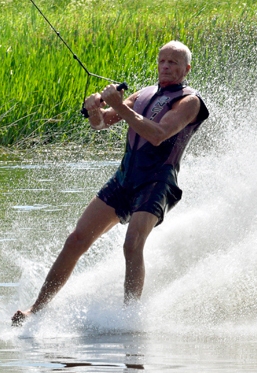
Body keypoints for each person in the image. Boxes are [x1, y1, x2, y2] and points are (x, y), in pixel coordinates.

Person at [12, 41, 209, 326]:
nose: (166, 66)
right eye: (162, 61)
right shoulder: (143, 94)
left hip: (157, 181)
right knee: (76, 239)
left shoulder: (190, 101)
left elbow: (158, 134)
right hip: (125, 178)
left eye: (173, 63)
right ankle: (36, 309)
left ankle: (129, 318)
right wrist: (94, 108)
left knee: (132, 244)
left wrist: (118, 104)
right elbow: (101, 123)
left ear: (186, 69)